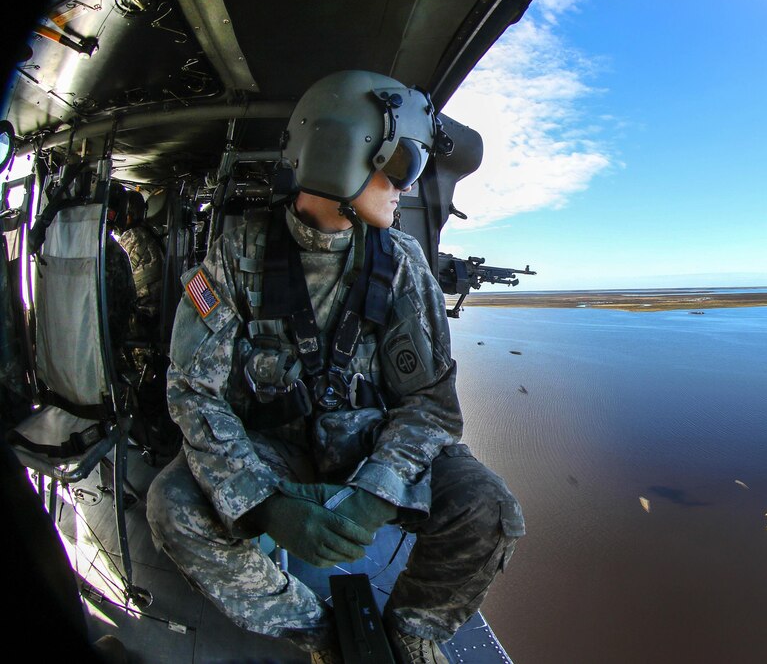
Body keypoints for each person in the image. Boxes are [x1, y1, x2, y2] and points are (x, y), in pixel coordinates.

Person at [146, 70, 525, 664]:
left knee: (489, 507)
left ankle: (411, 630)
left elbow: (429, 403)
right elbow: (195, 392)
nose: (406, 186)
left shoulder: (400, 263)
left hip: (373, 445)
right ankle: (315, 632)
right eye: (398, 166)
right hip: (277, 448)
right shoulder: (235, 253)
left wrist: (374, 495)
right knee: (171, 506)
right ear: (340, 156)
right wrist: (264, 502)